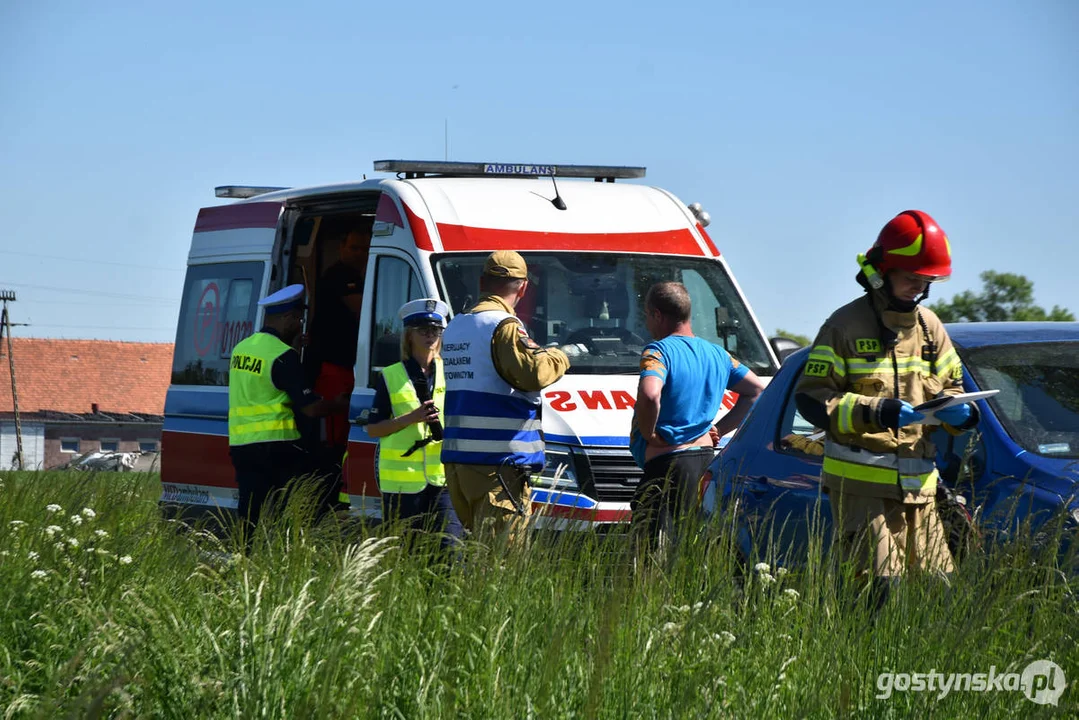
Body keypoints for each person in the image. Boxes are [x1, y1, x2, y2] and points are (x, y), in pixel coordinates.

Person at [794, 210, 979, 608]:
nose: (918, 288)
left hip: (922, 493)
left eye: (925, 280)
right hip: (863, 491)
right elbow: (811, 398)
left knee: (937, 599)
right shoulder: (844, 326)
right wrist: (876, 411)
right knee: (879, 600)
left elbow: (954, 387)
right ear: (882, 271)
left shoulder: (931, 328)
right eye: (911, 277)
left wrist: (961, 416)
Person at [440, 251, 570, 546]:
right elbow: (533, 373)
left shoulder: (456, 326)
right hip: (497, 464)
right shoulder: (504, 325)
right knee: (500, 561)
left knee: (477, 551)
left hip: (460, 462)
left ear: (482, 282)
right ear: (523, 287)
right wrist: (561, 355)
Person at [629, 281, 765, 553]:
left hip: (666, 468)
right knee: (691, 548)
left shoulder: (659, 351)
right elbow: (757, 390)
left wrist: (648, 432)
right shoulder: (718, 354)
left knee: (651, 554)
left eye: (646, 315)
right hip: (704, 462)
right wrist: (721, 429)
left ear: (657, 314)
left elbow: (650, 394)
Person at [228, 284, 348, 548]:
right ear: (287, 318)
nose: (300, 324)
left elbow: (263, 386)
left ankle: (244, 558)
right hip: (276, 447)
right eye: (298, 319)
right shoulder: (283, 356)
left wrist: (294, 347)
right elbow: (310, 407)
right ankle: (282, 558)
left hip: (241, 445)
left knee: (249, 511)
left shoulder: (242, 349)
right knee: (288, 512)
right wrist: (340, 405)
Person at [365, 298, 463, 553]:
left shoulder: (453, 372)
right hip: (403, 484)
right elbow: (373, 429)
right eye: (423, 330)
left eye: (436, 330)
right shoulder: (391, 375)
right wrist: (412, 418)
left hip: (443, 479)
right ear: (409, 335)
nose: (430, 335)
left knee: (451, 552)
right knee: (405, 554)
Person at [309, 229, 369, 452]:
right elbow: (364, 312)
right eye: (354, 248)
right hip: (333, 365)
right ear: (341, 248)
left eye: (364, 249)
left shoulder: (357, 276)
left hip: (348, 364)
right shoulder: (340, 275)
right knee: (335, 431)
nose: (360, 254)